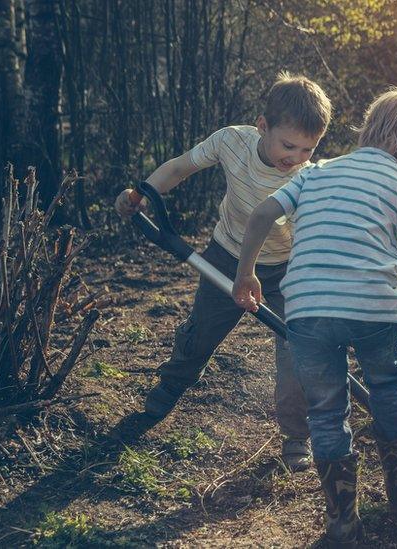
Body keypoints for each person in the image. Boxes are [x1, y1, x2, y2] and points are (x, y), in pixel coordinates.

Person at [232, 88, 397, 548]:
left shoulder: (317, 172)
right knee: (387, 390)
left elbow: (264, 211)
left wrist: (246, 272)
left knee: (326, 413)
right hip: (373, 310)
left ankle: (343, 522)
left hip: (306, 307)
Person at [114, 71, 332, 472]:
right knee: (202, 332)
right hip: (226, 256)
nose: (296, 158)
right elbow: (179, 168)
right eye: (289, 145)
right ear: (263, 127)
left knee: (297, 352)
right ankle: (172, 383)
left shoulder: (309, 178)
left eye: (307, 149)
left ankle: (296, 436)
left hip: (286, 270)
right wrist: (141, 193)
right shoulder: (233, 141)